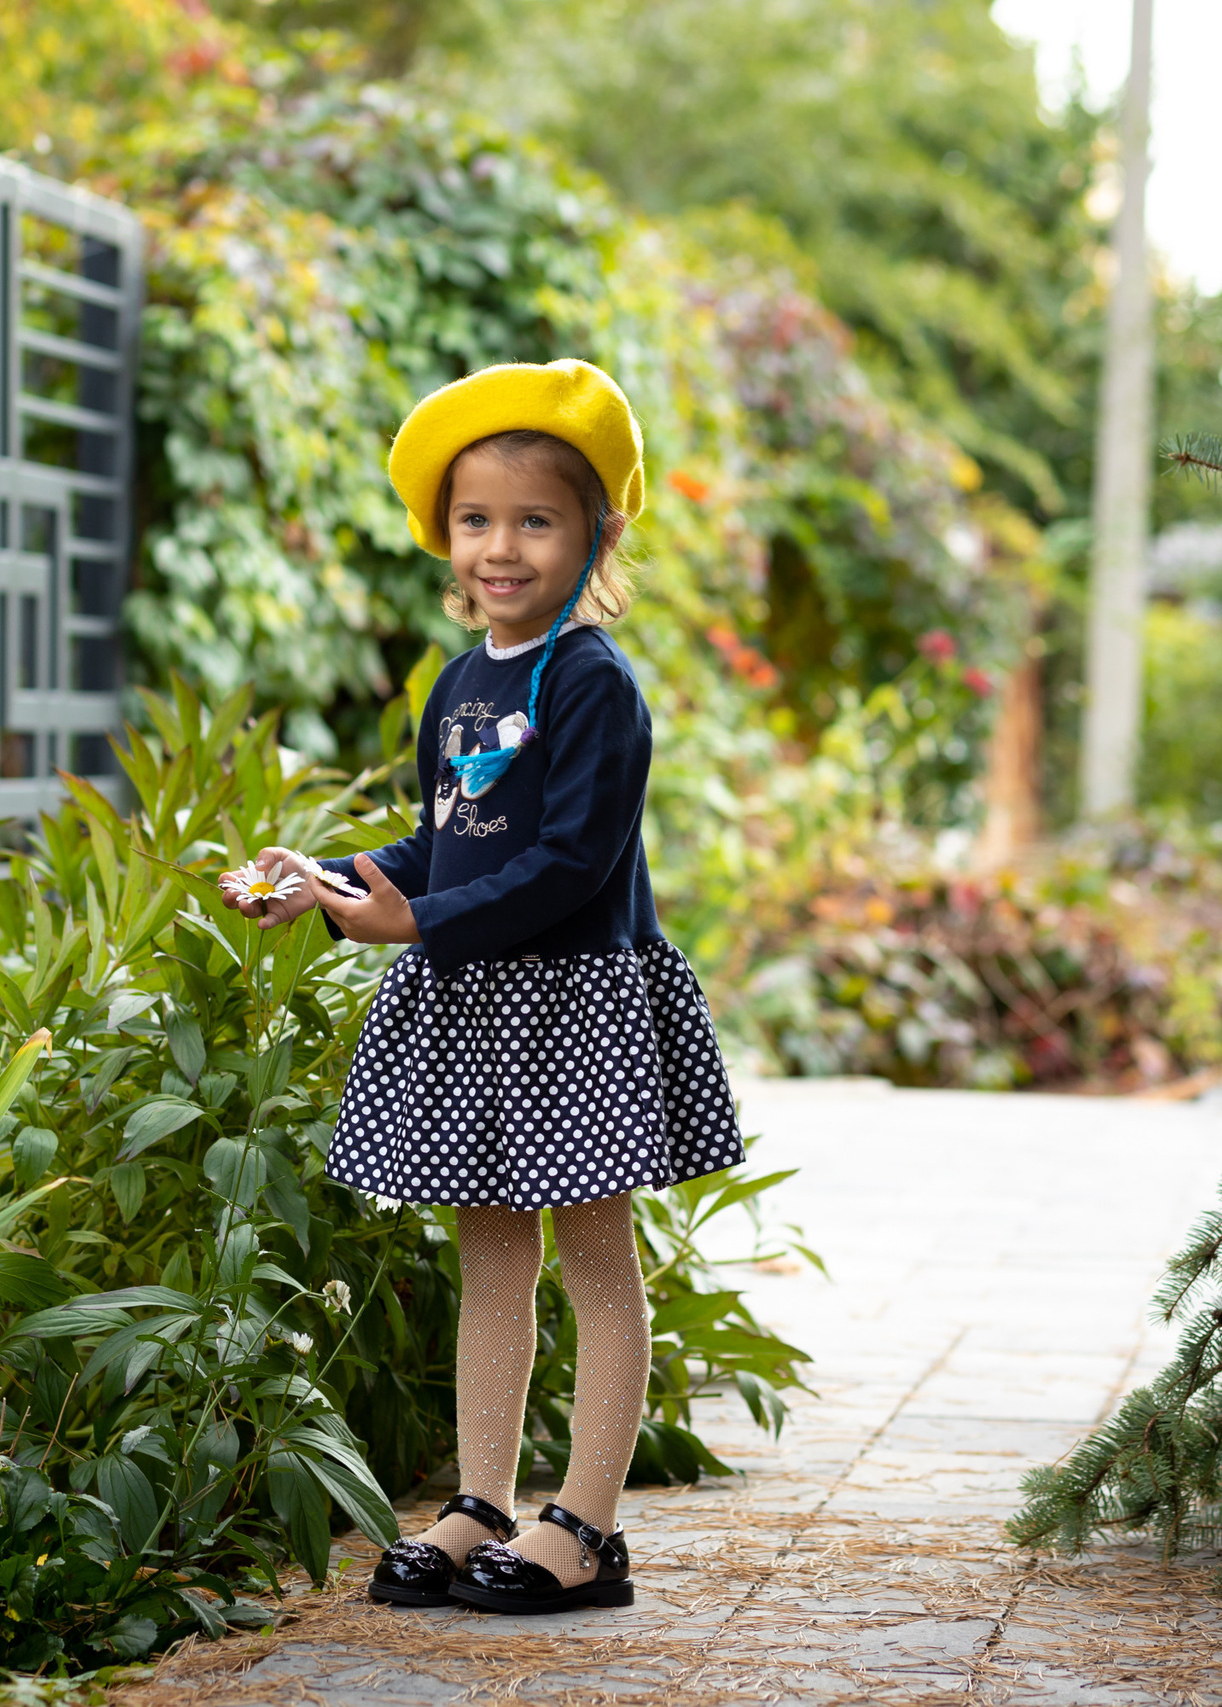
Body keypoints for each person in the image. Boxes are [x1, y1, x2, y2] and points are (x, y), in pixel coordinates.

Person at [216, 359, 747, 1616]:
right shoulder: (460, 685)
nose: (499, 547)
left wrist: (419, 920)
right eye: (475, 520)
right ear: (442, 535)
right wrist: (331, 879)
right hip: (469, 1003)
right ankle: (482, 1502)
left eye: (534, 520)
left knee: (596, 1265)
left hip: (573, 1006)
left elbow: (570, 865)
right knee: (491, 1260)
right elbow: (442, 843)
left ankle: (588, 1527)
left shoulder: (593, 684)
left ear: (595, 532)